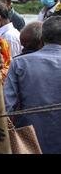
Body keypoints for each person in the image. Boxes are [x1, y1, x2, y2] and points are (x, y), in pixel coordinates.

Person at [4, 16, 61, 154]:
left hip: (29, 141)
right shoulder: (19, 63)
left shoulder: (19, 63)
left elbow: (6, 107)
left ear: (41, 39)